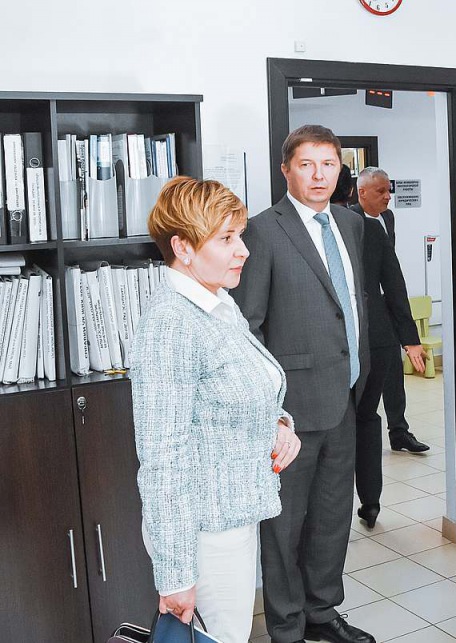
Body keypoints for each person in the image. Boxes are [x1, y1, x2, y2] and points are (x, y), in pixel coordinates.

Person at [130, 177, 301, 643]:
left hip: (230, 519)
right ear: (182, 247)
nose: (243, 250)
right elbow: (162, 459)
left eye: (239, 235)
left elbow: (237, 392)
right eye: (226, 239)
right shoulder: (172, 324)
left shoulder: (216, 303)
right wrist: (175, 574)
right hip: (204, 534)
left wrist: (279, 424)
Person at [232, 125, 375, 643]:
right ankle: (287, 626)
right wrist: (271, 410)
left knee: (333, 517)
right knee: (285, 526)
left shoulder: (350, 223)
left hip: (346, 396)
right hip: (291, 411)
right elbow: (248, 327)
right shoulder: (261, 231)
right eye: (307, 164)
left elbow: (348, 305)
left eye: (329, 164)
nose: (319, 175)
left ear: (341, 169)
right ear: (286, 169)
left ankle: (321, 611)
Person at [350, 167, 427, 529]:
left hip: (378, 331)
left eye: (388, 191)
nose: (387, 197)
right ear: (360, 193)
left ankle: (371, 500)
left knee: (369, 412)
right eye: (379, 191)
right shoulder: (346, 222)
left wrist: (409, 338)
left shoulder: (380, 226)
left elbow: (393, 281)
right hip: (344, 335)